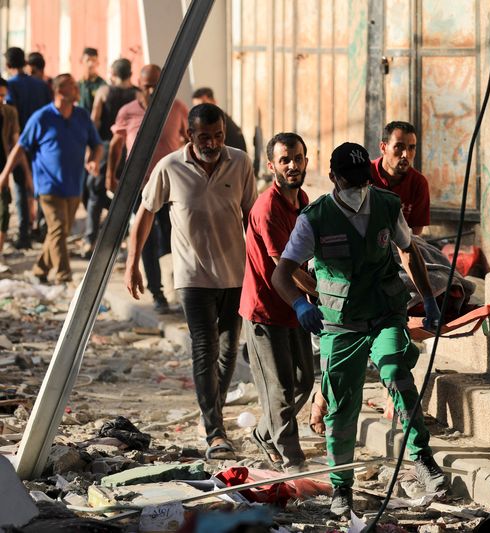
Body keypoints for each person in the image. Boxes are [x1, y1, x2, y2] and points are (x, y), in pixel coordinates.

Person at [272, 141, 447, 516]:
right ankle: (341, 488)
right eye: (349, 182)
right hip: (340, 323)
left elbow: (407, 250)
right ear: (333, 178)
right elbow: (281, 274)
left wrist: (429, 298)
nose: (357, 189)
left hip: (385, 311)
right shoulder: (314, 218)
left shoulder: (385, 205)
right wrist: (300, 303)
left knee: (396, 371)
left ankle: (422, 458)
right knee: (341, 404)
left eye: (361, 181)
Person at [125, 103, 256, 460]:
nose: (212, 144)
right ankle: (215, 431)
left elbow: (251, 218)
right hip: (192, 276)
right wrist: (132, 262)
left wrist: (260, 270)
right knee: (205, 347)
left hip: (234, 273)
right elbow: (146, 213)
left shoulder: (241, 163)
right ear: (189, 135)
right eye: (204, 137)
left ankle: (210, 413)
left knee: (229, 351)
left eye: (217, 136)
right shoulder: (169, 167)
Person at [239, 132, 315, 471]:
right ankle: (292, 459)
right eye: (285, 160)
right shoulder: (267, 207)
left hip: (294, 307)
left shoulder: (303, 202)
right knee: (281, 390)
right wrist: (316, 294)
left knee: (305, 381)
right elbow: (283, 267)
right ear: (272, 166)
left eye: (298, 158)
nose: (293, 165)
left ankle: (264, 433)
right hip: (265, 310)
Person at [0, 74, 102, 284]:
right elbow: (20, 147)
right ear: (59, 91)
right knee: (57, 229)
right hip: (48, 185)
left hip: (74, 185)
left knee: (60, 233)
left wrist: (93, 159)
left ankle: (39, 269)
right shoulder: (42, 117)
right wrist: (5, 174)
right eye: (72, 86)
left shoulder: (82, 116)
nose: (76, 89)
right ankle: (64, 276)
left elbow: (97, 144)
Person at [108, 64, 188, 313]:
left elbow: (189, 139)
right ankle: (157, 293)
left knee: (176, 239)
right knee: (146, 239)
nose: (152, 90)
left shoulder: (177, 108)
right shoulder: (128, 112)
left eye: (156, 85)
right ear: (138, 85)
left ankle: (183, 290)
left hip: (172, 187)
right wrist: (111, 175)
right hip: (140, 188)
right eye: (147, 86)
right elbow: (116, 144)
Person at [79, 58, 137, 257]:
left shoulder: (104, 92)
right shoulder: (138, 95)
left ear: (113, 72)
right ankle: (118, 241)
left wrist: (90, 151)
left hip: (104, 148)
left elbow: (94, 121)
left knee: (95, 194)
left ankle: (90, 240)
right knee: (123, 197)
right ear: (130, 73)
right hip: (129, 150)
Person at [3, 47, 50, 250]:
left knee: (21, 187)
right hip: (42, 143)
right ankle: (41, 229)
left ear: (7, 65)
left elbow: (11, 118)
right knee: (39, 185)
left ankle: (24, 234)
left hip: (21, 143)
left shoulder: (10, 86)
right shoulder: (41, 85)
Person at [369, 121, 430, 235]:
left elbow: (415, 234)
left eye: (411, 148)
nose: (405, 154)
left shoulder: (418, 183)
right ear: (383, 147)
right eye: (399, 147)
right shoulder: (365, 174)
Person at [0, 78, 26, 263]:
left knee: (3, 212)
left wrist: (25, 169)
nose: (1, 100)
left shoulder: (9, 112)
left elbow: (17, 142)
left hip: (2, 167)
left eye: (3, 96)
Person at [191, 87, 247, 153]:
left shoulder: (218, 120)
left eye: (203, 105)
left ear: (214, 101)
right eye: (196, 107)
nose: (200, 110)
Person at [77, 47, 106, 114]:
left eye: (93, 60)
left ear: (98, 63)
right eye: (88, 60)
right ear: (81, 61)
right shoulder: (77, 85)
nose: (90, 64)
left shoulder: (102, 85)